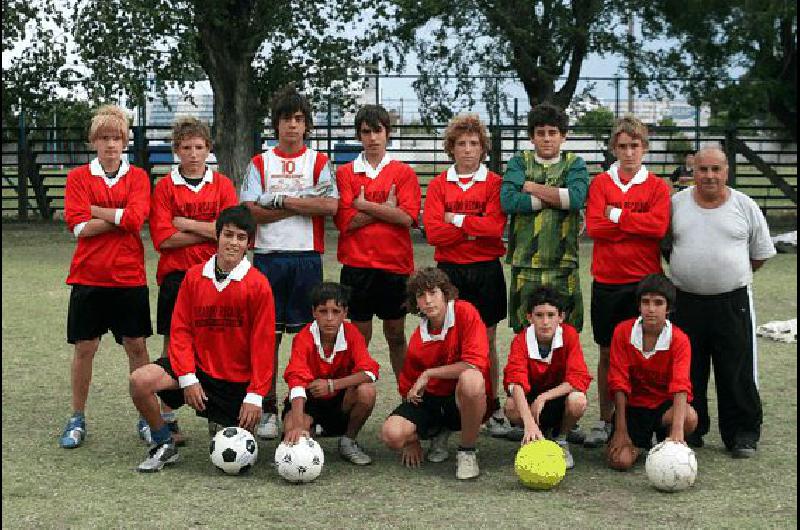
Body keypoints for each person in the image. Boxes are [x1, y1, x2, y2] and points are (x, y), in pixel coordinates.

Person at [129, 205, 276, 472]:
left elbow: (264, 345)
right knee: (140, 381)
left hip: (235, 380)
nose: (233, 243)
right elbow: (181, 331)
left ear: (248, 244)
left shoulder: (258, 285)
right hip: (197, 369)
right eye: (228, 235)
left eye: (240, 238)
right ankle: (163, 442)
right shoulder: (194, 277)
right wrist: (187, 378)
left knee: (233, 452)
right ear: (217, 236)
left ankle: (220, 420)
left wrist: (255, 396)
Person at [240, 85, 338, 440]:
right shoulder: (259, 163)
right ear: (276, 124)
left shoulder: (320, 162)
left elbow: (329, 207)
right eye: (286, 119)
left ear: (307, 125)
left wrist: (280, 200)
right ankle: (265, 406)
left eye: (298, 119)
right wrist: (303, 201)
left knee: (305, 341)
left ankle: (297, 411)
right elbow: (251, 212)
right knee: (267, 339)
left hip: (306, 259)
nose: (292, 126)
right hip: (268, 259)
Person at [667, 146, 776, 458]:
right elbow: (666, 246)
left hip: (732, 303)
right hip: (685, 302)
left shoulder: (745, 205)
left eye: (716, 169)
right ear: (693, 172)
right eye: (703, 169)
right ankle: (692, 428)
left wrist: (727, 274)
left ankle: (742, 433)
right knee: (689, 370)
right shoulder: (677, 204)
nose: (709, 176)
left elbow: (759, 254)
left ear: (727, 171)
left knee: (736, 369)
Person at [59, 105, 152, 449]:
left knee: (137, 347)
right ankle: (77, 417)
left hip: (129, 278)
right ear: (93, 141)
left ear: (125, 141)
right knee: (85, 348)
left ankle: (147, 418)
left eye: (117, 138)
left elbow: (136, 219)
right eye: (104, 138)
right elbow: (79, 228)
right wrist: (119, 215)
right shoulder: (78, 178)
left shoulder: (139, 178)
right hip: (88, 277)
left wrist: (97, 211)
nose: (111, 144)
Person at [500, 102, 589, 443]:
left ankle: (564, 412)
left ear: (563, 136)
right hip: (525, 264)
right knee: (526, 335)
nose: (547, 139)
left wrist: (533, 189)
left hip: (564, 263)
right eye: (540, 133)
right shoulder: (518, 162)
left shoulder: (575, 163)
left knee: (565, 336)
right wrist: (556, 196)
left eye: (553, 133)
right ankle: (527, 414)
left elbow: (577, 199)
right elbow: (509, 201)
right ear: (532, 136)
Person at [148, 116, 238, 444]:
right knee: (172, 345)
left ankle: (219, 413)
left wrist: (186, 223)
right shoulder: (164, 187)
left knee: (219, 344)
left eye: (199, 147)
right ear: (176, 150)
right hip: (176, 278)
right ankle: (166, 418)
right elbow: (163, 239)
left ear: (209, 149)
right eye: (186, 147)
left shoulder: (223, 185)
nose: (194, 153)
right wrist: (210, 231)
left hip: (217, 277)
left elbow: (230, 235)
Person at [583, 115, 671, 448]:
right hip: (607, 279)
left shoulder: (658, 186)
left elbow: (657, 227)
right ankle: (607, 420)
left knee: (644, 350)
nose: (629, 152)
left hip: (644, 282)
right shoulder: (601, 183)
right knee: (608, 352)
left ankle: (640, 418)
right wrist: (635, 222)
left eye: (635, 146)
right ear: (613, 149)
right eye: (622, 146)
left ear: (644, 148)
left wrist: (617, 215)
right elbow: (595, 227)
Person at [422, 113, 509, 437]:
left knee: (486, 341)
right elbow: (433, 232)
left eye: (474, 143)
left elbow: (495, 228)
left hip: (486, 269)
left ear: (483, 148)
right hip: (450, 272)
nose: (468, 149)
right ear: (451, 148)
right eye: (461, 143)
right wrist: (474, 228)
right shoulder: (439, 184)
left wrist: (455, 221)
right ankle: (451, 408)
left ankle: (491, 404)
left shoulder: (494, 183)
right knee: (450, 341)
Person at [334, 104, 421, 382]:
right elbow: (347, 222)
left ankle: (409, 395)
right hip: (357, 267)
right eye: (366, 132)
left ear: (388, 134)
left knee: (396, 335)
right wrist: (385, 208)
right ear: (359, 136)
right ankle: (349, 400)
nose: (372, 138)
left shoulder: (403, 172)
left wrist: (364, 205)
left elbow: (406, 217)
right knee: (358, 340)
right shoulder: (346, 173)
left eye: (378, 131)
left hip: (394, 267)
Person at [380, 268, 490, 480]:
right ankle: (436, 433)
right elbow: (408, 391)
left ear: (445, 294)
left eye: (433, 293)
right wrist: (410, 440)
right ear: (416, 302)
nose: (428, 300)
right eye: (421, 295)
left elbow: (474, 364)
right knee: (391, 435)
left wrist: (429, 373)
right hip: (431, 401)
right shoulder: (417, 341)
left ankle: (467, 451)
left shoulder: (465, 312)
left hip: (462, 399)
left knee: (471, 378)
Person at [605, 274, 698, 470]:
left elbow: (680, 385)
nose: (651, 309)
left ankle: (665, 442)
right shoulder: (622, 332)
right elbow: (618, 383)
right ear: (639, 306)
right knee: (620, 462)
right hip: (633, 409)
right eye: (646, 302)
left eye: (658, 303)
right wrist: (621, 430)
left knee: (690, 417)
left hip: (663, 409)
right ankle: (641, 447)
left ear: (669, 308)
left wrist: (677, 432)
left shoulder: (679, 339)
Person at [282, 282, 380, 465]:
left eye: (335, 311)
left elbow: (370, 371)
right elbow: (296, 381)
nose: (329, 318)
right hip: (308, 400)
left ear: (345, 313)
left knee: (367, 391)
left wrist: (332, 385)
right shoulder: (303, 337)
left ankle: (348, 441)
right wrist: (296, 425)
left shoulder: (352, 334)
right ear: (313, 312)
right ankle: (309, 431)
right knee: (293, 437)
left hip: (340, 402)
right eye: (322, 311)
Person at [502, 287, 592, 469]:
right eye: (539, 315)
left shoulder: (569, 335)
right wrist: (528, 422)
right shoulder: (520, 340)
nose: (545, 322)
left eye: (551, 315)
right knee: (510, 406)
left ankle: (561, 438)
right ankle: (535, 433)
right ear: (529, 317)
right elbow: (515, 381)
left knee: (578, 400)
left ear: (561, 317)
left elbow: (578, 377)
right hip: (530, 401)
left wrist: (544, 397)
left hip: (556, 400)